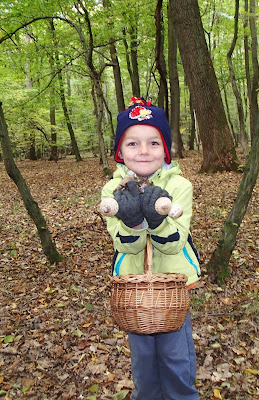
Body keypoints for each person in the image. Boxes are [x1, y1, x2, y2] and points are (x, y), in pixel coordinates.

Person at [101, 97, 200, 400]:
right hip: (134, 294)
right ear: (120, 151)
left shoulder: (180, 185)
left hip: (172, 288)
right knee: (143, 367)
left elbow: (174, 244)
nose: (143, 151)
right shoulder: (111, 190)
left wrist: (156, 220)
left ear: (166, 148)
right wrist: (132, 221)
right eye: (133, 143)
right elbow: (124, 245)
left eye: (153, 143)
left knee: (176, 361)